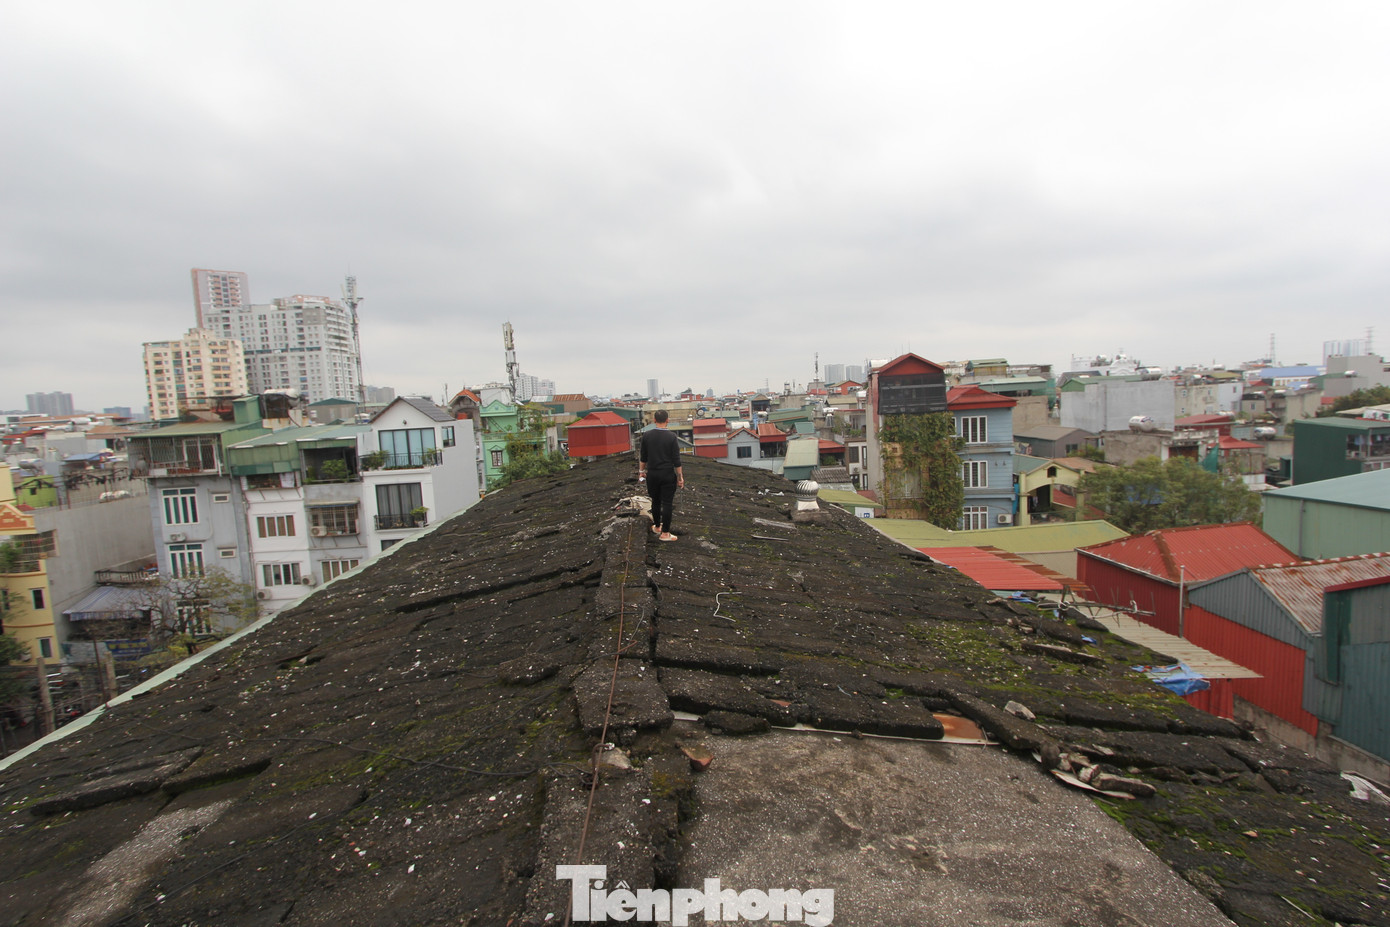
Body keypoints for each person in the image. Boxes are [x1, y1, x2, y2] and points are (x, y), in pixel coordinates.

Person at [639, 409, 684, 541]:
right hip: (667, 474)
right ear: (667, 420)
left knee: (656, 501)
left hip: (652, 474)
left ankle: (657, 526)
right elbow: (676, 460)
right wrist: (680, 478)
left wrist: (641, 472)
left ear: (654, 421)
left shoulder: (646, 436)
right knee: (667, 503)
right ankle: (665, 534)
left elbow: (643, 458)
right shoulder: (671, 437)